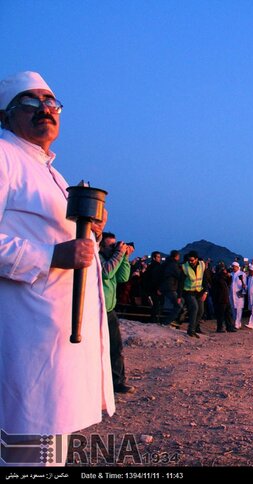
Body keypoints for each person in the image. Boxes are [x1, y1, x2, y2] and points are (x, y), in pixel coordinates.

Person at [0, 71, 114, 466]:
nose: (44, 108)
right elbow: (55, 252)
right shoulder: (4, 157)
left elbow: (69, 248)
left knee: (52, 449)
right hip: (25, 342)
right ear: (6, 116)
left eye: (50, 102)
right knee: (27, 451)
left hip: (56, 344)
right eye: (29, 102)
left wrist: (91, 236)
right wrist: (52, 256)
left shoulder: (52, 174)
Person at [99, 233, 136, 394]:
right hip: (96, 311)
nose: (115, 249)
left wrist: (125, 258)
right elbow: (106, 273)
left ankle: (117, 382)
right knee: (98, 349)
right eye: (111, 246)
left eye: (116, 245)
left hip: (109, 310)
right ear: (100, 246)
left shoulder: (113, 259)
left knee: (116, 348)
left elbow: (122, 277)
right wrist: (119, 254)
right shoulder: (97, 259)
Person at [181, 250, 208, 338]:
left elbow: (204, 279)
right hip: (189, 291)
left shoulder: (202, 265)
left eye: (192, 260)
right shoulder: (185, 267)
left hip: (199, 291)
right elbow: (181, 282)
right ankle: (191, 330)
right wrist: (179, 295)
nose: (190, 262)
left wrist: (205, 292)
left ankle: (194, 327)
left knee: (201, 311)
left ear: (196, 259)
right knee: (194, 308)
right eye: (189, 260)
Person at [158, 250, 184, 327]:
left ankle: (173, 320)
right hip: (170, 287)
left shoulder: (167, 263)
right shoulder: (173, 265)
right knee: (178, 305)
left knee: (181, 302)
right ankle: (166, 322)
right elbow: (179, 276)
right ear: (176, 256)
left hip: (167, 287)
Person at [229, 261, 247, 329]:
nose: (233, 268)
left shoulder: (242, 274)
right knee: (233, 309)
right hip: (231, 294)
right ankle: (237, 323)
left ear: (237, 267)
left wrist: (243, 286)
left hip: (239, 294)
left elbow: (245, 285)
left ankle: (237, 323)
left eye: (233, 267)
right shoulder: (231, 274)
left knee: (239, 309)